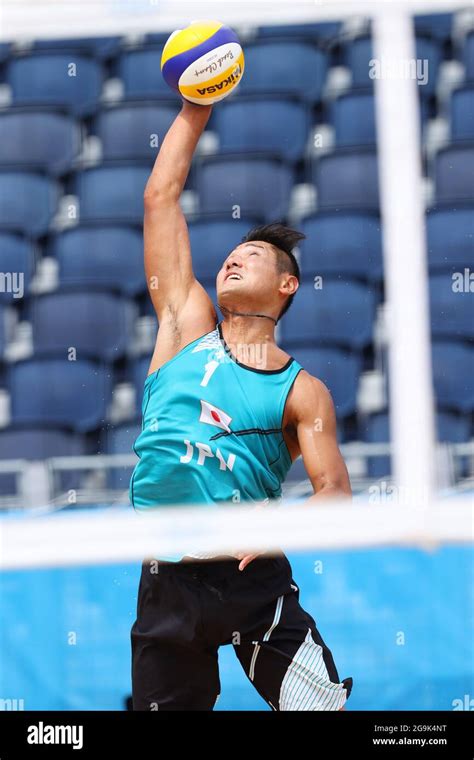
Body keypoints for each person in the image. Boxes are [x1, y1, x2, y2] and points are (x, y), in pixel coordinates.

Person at [130, 99, 353, 711]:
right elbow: (160, 199)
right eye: (231, 253)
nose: (233, 257)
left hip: (252, 576)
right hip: (168, 573)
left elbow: (335, 491)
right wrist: (193, 108)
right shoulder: (185, 325)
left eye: (253, 255)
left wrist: (280, 526)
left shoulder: (303, 390)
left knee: (321, 711)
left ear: (287, 285)